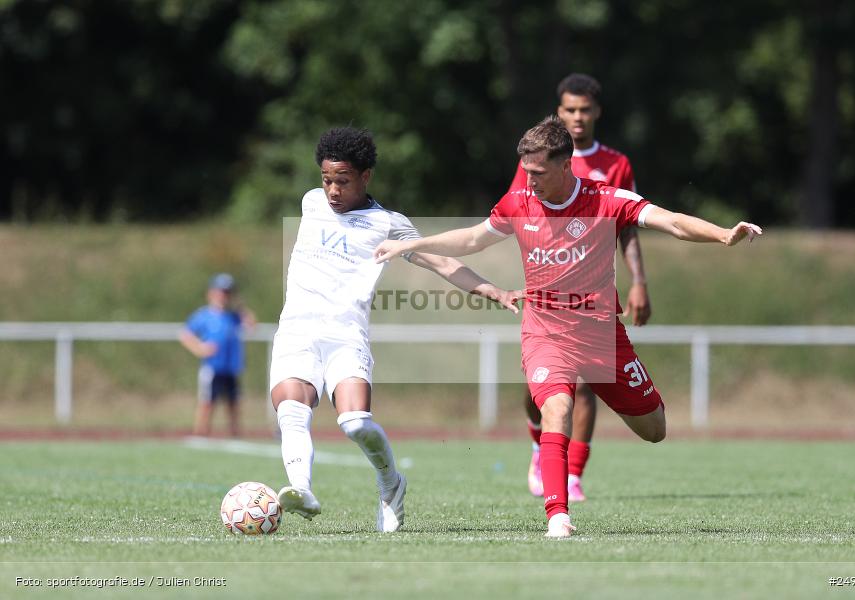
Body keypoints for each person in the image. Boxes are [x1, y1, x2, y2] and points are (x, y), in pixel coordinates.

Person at [374, 116, 761, 537]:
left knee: (654, 430)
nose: (529, 180)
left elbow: (670, 221)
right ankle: (558, 516)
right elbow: (471, 239)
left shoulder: (606, 199)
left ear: (565, 165)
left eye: (538, 172)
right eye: (526, 171)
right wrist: (412, 243)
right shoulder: (518, 203)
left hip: (602, 336)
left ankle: (569, 466)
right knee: (558, 407)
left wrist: (723, 234)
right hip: (545, 331)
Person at [271, 127, 517, 533]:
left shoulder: (387, 224)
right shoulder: (311, 202)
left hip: (346, 337)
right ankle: (301, 488)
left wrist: (492, 290)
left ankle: (391, 484)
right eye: (327, 179)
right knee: (292, 411)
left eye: (343, 181)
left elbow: (442, 263)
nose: (332, 190)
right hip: (295, 332)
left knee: (354, 423)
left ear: (366, 176)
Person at [509, 73, 651, 502]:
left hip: (592, 295)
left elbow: (629, 225)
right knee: (541, 391)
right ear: (559, 111)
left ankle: (572, 474)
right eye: (569, 109)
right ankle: (540, 442)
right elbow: (519, 213)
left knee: (586, 384)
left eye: (584, 110)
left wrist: (639, 281)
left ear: (597, 112)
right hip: (546, 290)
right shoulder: (538, 158)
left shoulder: (615, 164)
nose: (576, 117)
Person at [179, 273, 256, 437]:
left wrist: (240, 306)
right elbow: (185, 335)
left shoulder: (233, 316)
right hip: (212, 367)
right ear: (211, 293)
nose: (224, 296)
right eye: (221, 292)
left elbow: (251, 324)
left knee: (233, 403)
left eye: (228, 292)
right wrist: (200, 348)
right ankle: (201, 432)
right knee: (207, 402)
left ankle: (235, 433)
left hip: (231, 367)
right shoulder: (204, 315)